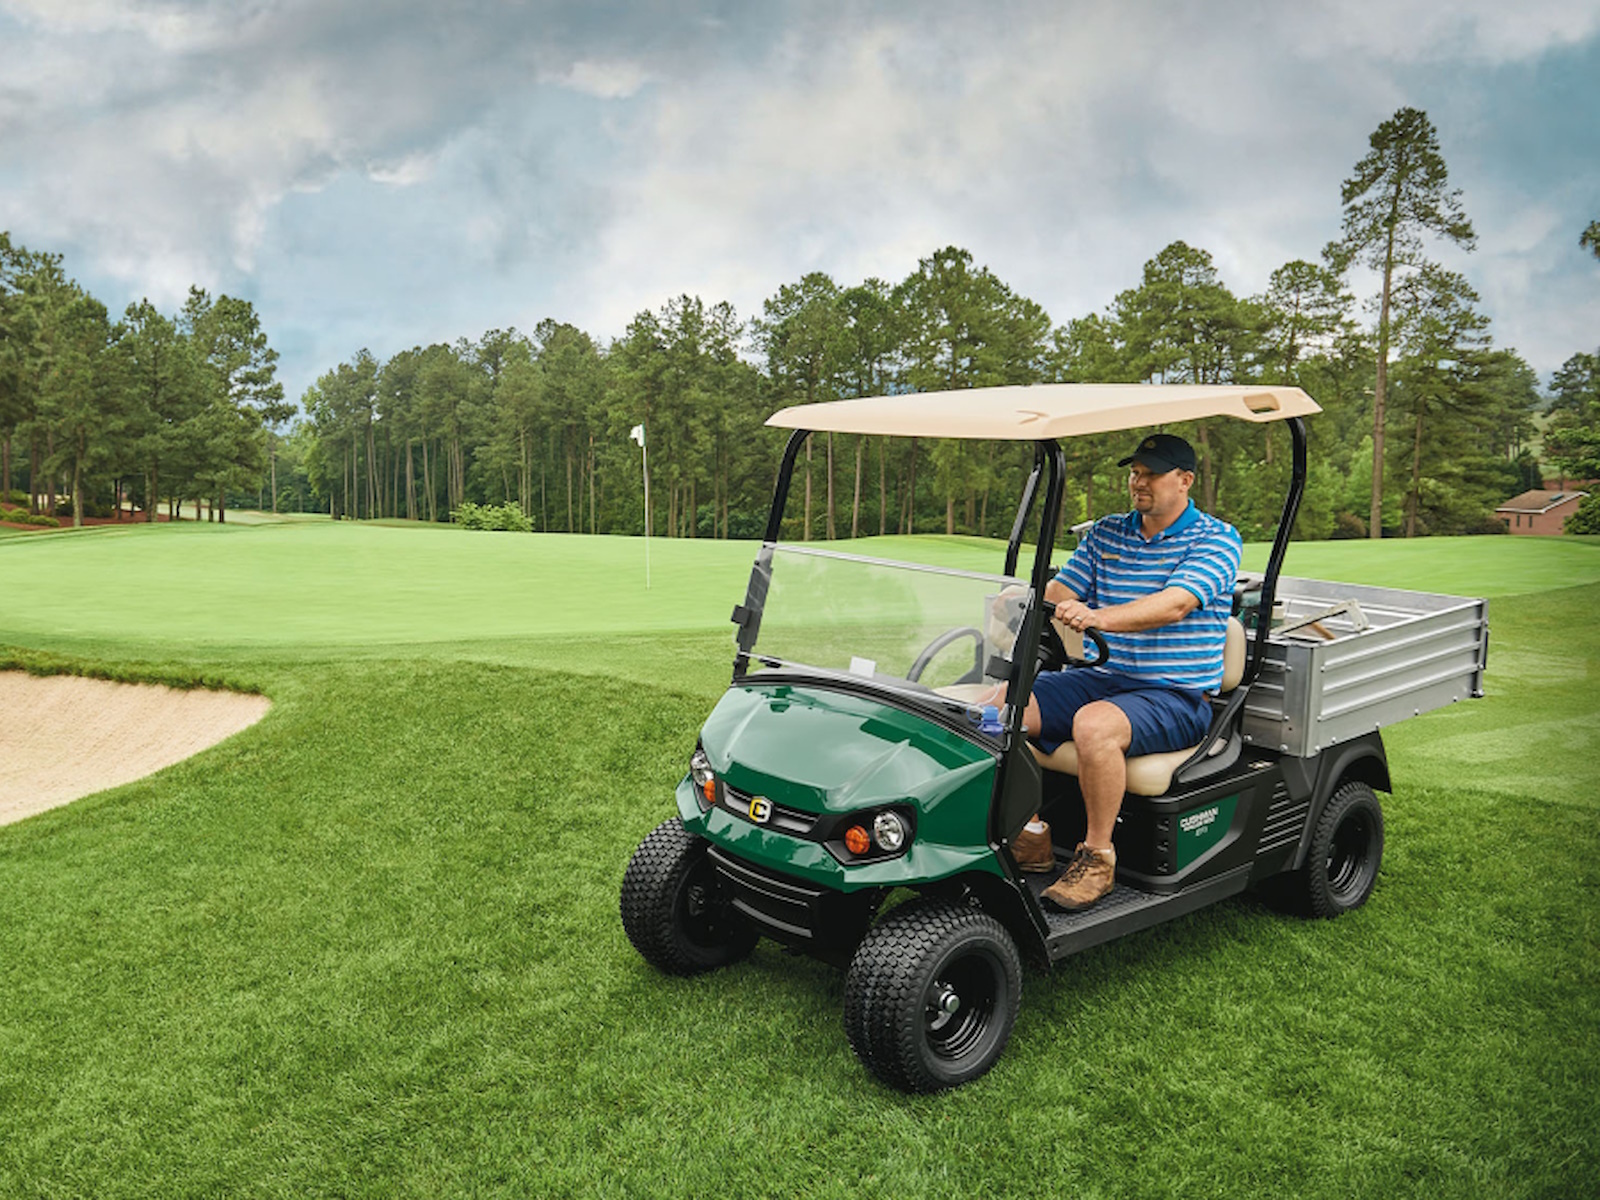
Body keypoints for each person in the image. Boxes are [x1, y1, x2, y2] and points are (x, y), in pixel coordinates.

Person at [1010, 432, 1242, 912]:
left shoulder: (1216, 539)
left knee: (1094, 724)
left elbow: (1175, 604)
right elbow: (1061, 591)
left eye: (1151, 474)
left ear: (1185, 480)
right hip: (1102, 677)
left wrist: (1097, 617)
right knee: (1001, 705)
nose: (1138, 482)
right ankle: (1028, 835)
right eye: (1135, 473)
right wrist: (1019, 601)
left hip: (1175, 694)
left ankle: (1097, 858)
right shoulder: (1108, 532)